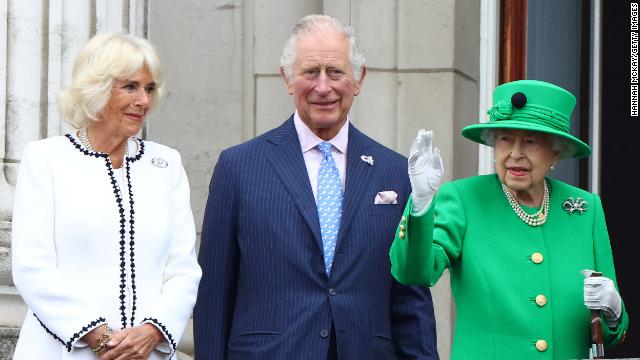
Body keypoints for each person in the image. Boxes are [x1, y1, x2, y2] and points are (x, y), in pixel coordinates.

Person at [194, 14, 438, 360]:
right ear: (287, 78)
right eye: (310, 72)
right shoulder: (239, 167)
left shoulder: (395, 172)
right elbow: (213, 296)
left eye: (336, 72)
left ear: (358, 79)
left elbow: (410, 299)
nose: (323, 87)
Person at [390, 79, 629, 359]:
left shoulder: (584, 209)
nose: (515, 154)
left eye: (530, 141)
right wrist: (420, 205)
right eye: (505, 139)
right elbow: (414, 272)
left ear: (556, 152)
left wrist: (614, 311)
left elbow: (610, 334)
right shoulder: (464, 199)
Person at [11, 33, 202, 359]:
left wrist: (151, 332)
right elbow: (32, 267)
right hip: (62, 351)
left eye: (150, 88)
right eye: (130, 87)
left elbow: (182, 268)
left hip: (148, 353)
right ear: (96, 88)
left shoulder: (166, 164)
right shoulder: (46, 159)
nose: (144, 100)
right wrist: (101, 338)